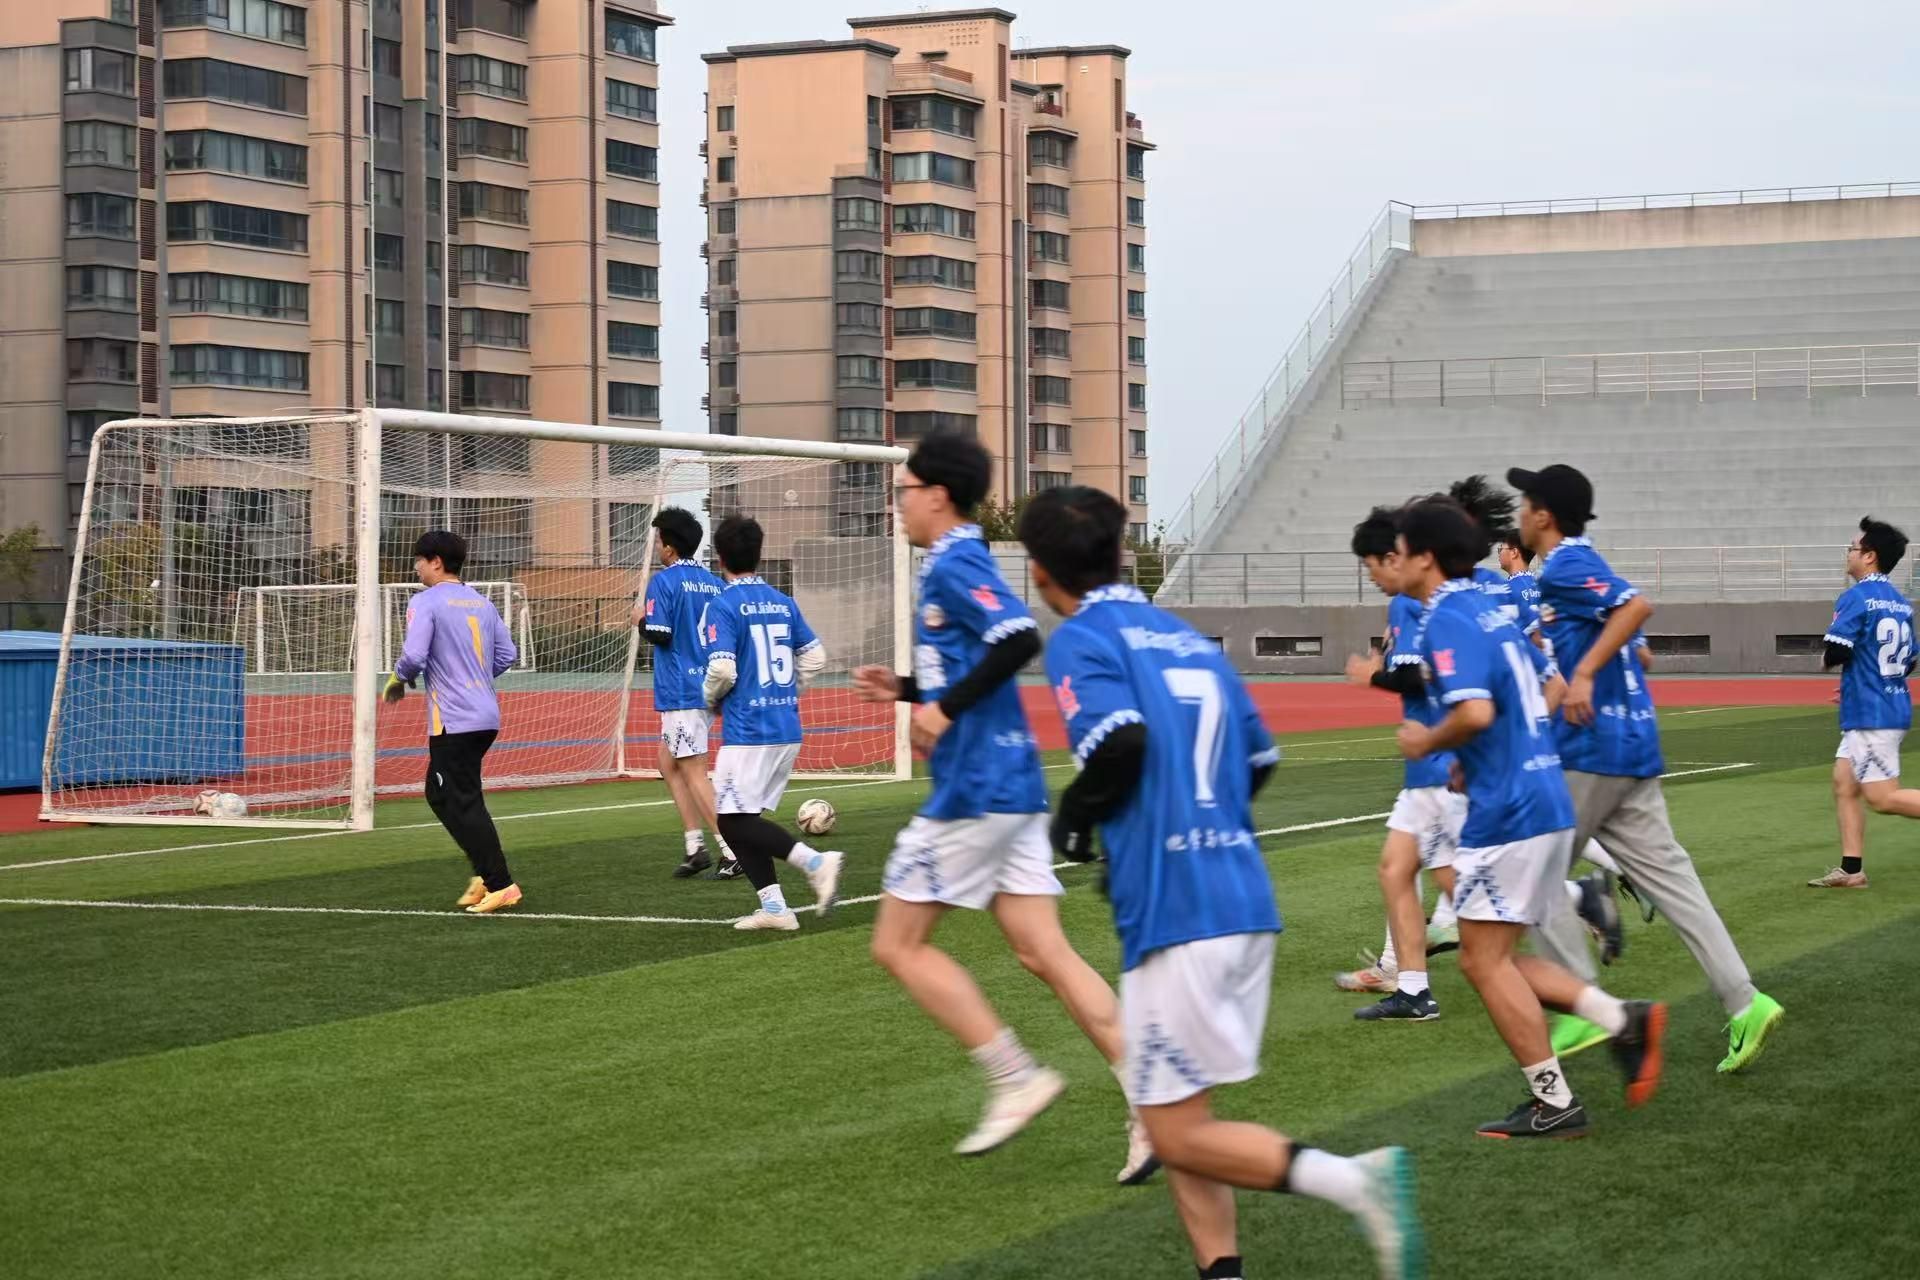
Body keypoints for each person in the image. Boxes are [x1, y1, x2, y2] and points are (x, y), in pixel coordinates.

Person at [1020, 485, 1423, 1280]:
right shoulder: (1183, 636)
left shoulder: (1082, 639)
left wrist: (1075, 817)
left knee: (1172, 1134)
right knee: (1185, 1117)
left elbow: (1122, 743)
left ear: (1038, 571)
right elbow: (1259, 757)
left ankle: (1355, 1181)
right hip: (1240, 894)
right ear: (1120, 554)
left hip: (1179, 912)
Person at [854, 433, 1154, 1182]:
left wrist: (944, 709)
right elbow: (977, 656)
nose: (899, 503)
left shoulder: (956, 562)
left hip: (976, 790)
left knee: (898, 946)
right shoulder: (954, 562)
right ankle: (1152, 1102)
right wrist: (909, 691)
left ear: (937, 495)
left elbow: (1018, 638)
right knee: (1042, 951)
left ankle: (1014, 1075)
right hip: (1010, 786)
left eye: (905, 490)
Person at [1395, 497, 1664, 1138]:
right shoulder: (1489, 608)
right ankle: (1621, 1023)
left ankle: (1557, 1100)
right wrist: (1502, 750)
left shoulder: (1446, 617)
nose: (1392, 561)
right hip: (1543, 796)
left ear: (1426, 557)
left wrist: (1430, 741)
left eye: (1400, 551)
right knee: (1493, 954)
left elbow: (1476, 712)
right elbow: (1550, 685)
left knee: (1482, 961)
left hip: (1509, 811)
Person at [1507, 464, 1785, 1074]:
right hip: (1634, 746)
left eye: (1524, 503)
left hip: (1592, 748)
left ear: (1544, 515)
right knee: (1675, 884)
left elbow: (1637, 608)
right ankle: (1745, 1002)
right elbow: (1642, 651)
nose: (1518, 514)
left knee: (1531, 869)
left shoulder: (1565, 565)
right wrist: (1576, 658)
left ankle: (1582, 998)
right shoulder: (1582, 567)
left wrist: (1584, 673)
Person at [1338, 505, 1462, 1021]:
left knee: (1467, 893)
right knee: (1395, 869)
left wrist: (1371, 676)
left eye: (1372, 566)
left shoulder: (1411, 604)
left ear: (1398, 557)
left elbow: (1415, 677)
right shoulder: (1450, 597)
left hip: (1438, 763)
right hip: (1432, 765)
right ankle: (1410, 987)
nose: (1372, 577)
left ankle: (1573, 902)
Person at [700, 515, 844, 931]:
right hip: (785, 726)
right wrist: (787, 691)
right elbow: (815, 656)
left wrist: (709, 700)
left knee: (732, 821)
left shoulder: (723, 604)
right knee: (742, 820)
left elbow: (722, 670)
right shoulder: (783, 601)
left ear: (719, 557)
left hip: (750, 730)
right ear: (758, 554)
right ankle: (776, 909)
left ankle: (816, 863)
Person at [385, 530, 522, 914]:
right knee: (439, 793)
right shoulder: (482, 602)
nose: (416, 567)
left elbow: (414, 655)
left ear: (436, 562)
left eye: (419, 560)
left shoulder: (425, 601)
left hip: (455, 719)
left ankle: (501, 884)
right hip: (484, 714)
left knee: (462, 801)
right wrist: (473, 677)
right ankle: (485, 872)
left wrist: (398, 678)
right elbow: (507, 654)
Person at [1809, 516, 1919, 888]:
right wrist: (1861, 681)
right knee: (1844, 783)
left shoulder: (1856, 596)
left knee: (1883, 798)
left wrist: (1825, 662)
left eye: (1853, 548)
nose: (1849, 553)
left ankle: (1852, 870)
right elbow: (1909, 661)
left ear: (1869, 556)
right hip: (1885, 705)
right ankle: (1851, 870)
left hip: (1871, 713)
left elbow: (1837, 650)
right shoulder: (1901, 603)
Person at [633, 507, 736, 879]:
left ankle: (732, 850)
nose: (657, 547)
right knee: (668, 763)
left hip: (681, 688)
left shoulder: (664, 581)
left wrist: (640, 620)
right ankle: (695, 848)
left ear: (669, 546)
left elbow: (660, 633)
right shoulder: (714, 583)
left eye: (659, 540)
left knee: (694, 770)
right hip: (707, 685)